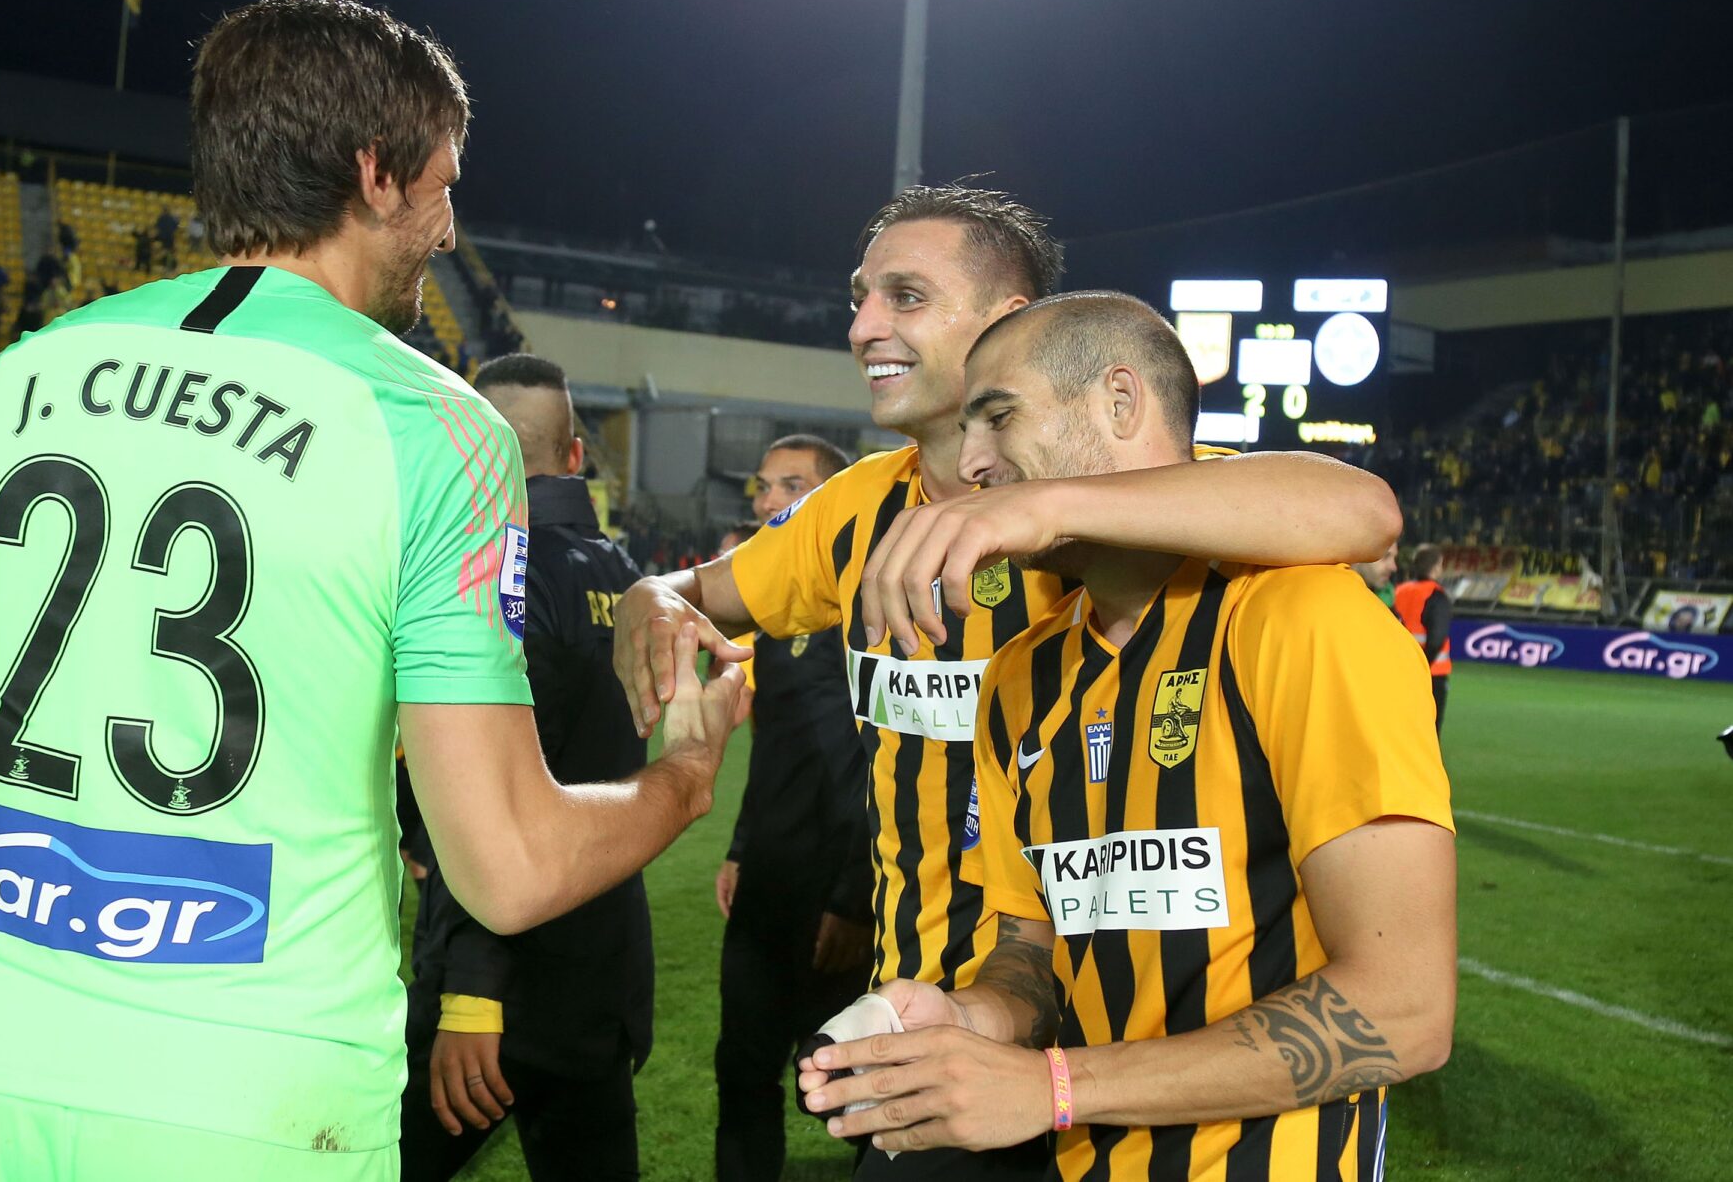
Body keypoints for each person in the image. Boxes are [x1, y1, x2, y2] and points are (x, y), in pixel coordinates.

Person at [0, 0, 748, 1182]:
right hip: (262, 1098)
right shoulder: (430, 425)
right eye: (442, 183)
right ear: (376, 174)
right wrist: (685, 775)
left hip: (2, 1064)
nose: (450, 229)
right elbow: (509, 863)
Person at [612, 185, 1402, 1181]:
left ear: (1007, 322)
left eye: (905, 296)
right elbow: (704, 591)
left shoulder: (1175, 525)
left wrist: (1045, 510)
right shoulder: (865, 521)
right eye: (860, 297)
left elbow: (1359, 511)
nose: (863, 327)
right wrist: (650, 595)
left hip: (1116, 1058)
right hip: (962, 1016)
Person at [796, 292, 1456, 1182]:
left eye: (998, 417)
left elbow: (1405, 1011)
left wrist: (1056, 1089)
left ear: (1119, 402)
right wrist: (970, 1018)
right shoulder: (1022, 677)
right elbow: (1034, 953)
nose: (972, 459)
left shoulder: (1304, 622)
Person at [402, 353, 654, 1182]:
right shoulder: (628, 576)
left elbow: (495, 799)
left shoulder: (492, 572)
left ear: (470, 448)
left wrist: (471, 990)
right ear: (575, 455)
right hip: (600, 968)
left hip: (501, 983)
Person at [714, 434, 874, 1182]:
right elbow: (772, 748)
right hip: (769, 880)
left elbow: (877, 766)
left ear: (829, 504)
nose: (767, 500)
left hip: (838, 893)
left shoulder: (871, 607)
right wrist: (741, 847)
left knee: (856, 1087)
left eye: (790, 486)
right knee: (742, 1068)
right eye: (763, 485)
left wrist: (854, 900)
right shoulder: (774, 616)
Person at [1393, 545, 1453, 733]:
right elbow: (1436, 639)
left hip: (1399, 669)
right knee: (1429, 731)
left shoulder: (1399, 591)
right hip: (1431, 673)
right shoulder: (1436, 595)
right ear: (1435, 567)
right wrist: (1423, 666)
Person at [1353, 539, 1397, 609]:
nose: (1393, 567)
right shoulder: (1339, 601)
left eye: (1394, 558)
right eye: (1385, 556)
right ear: (1359, 554)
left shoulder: (1388, 603)